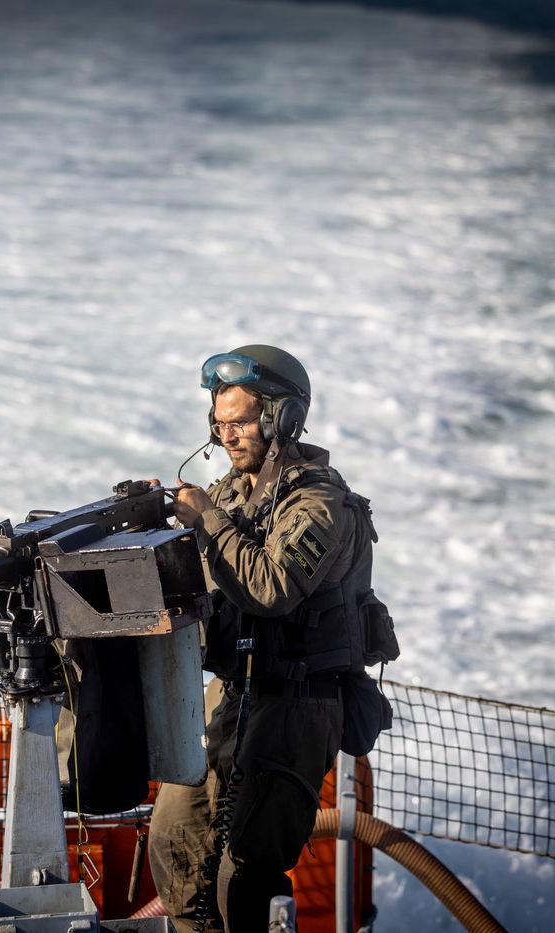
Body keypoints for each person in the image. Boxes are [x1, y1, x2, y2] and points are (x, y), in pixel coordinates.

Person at [148, 345, 381, 933]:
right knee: (174, 837)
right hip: (231, 692)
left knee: (245, 876)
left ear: (282, 419)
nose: (228, 436)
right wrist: (156, 526)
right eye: (220, 424)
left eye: (242, 422)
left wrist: (206, 520)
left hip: (296, 703)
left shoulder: (321, 504)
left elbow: (272, 587)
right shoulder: (231, 493)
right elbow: (207, 578)